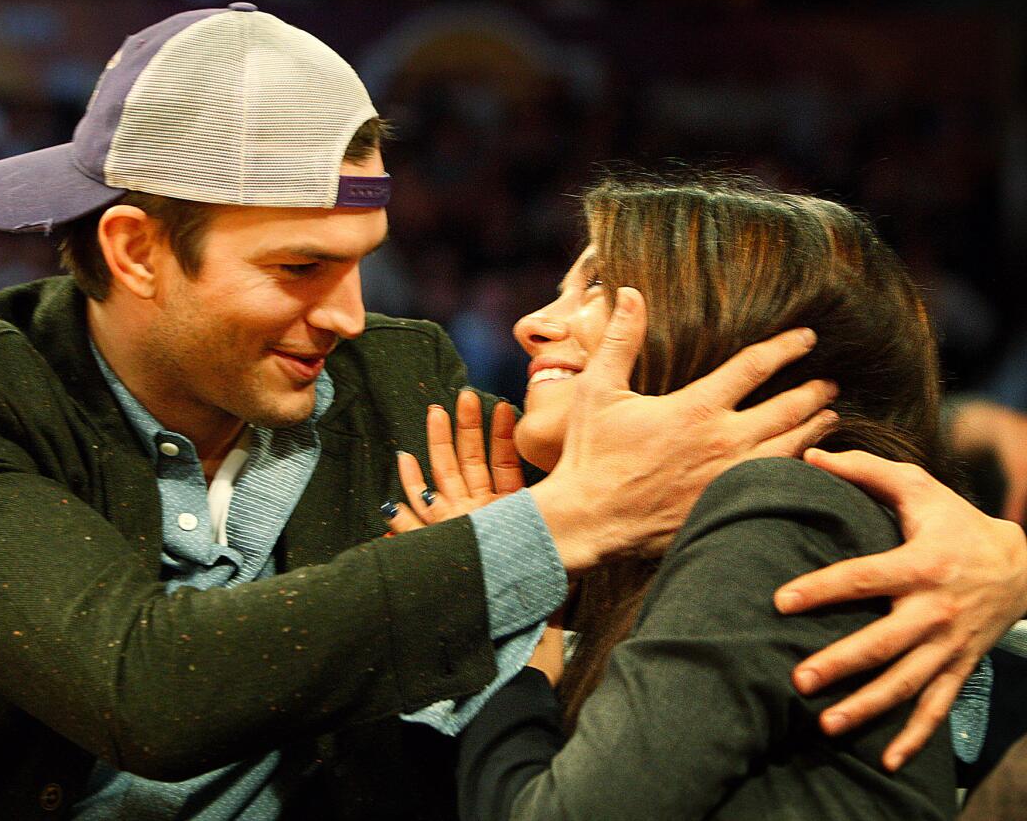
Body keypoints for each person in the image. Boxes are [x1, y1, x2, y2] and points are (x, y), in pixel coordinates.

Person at [0, 6, 847, 820]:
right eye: (300, 268)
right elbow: (143, 686)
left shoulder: (402, 381)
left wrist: (993, 564)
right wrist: (557, 522)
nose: (352, 318)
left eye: (361, 264)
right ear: (137, 250)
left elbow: (677, 525)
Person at [384, 176, 1011, 818]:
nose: (531, 325)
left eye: (597, 285)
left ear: (725, 323)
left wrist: (505, 644)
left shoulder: (787, 513)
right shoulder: (661, 550)